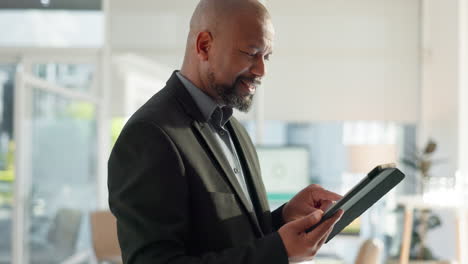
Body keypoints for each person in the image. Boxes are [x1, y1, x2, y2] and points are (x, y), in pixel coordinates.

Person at [108, 0, 344, 263]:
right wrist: (279, 251)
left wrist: (284, 217)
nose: (262, 70)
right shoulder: (149, 135)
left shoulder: (234, 130)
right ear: (204, 46)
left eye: (266, 56)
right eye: (250, 52)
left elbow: (234, 238)